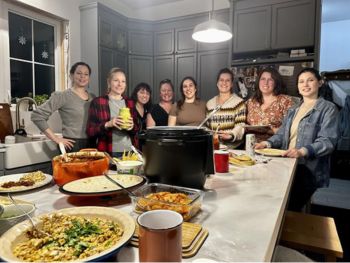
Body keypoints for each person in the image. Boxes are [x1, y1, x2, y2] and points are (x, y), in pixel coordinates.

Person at [255, 68, 339, 211]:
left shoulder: (328, 109)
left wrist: (302, 151)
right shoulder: (293, 109)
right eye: (301, 81)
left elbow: (328, 141)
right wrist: (266, 143)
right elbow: (281, 134)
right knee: (271, 201)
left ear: (319, 83)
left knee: (287, 207)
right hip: (287, 166)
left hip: (308, 170)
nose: (305, 84)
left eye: (310, 80)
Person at [31, 61, 95, 152]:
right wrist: (55, 138)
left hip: (92, 144)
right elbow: (37, 116)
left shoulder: (94, 97)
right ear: (71, 75)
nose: (82, 76)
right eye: (79, 73)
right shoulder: (62, 96)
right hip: (72, 145)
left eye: (86, 74)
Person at [86, 67, 138, 157]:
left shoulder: (130, 102)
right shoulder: (98, 102)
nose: (120, 84)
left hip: (130, 151)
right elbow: (90, 131)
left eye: (123, 81)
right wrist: (108, 124)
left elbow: (137, 129)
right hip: (107, 152)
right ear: (109, 82)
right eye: (116, 80)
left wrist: (132, 127)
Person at [246, 68, 294, 142]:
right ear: (258, 81)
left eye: (270, 80)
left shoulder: (285, 101)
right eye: (263, 79)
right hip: (252, 146)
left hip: (274, 147)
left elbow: (291, 128)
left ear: (276, 82)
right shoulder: (251, 102)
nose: (266, 83)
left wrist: (270, 130)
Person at [206, 68, 246, 146]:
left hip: (232, 148)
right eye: (221, 80)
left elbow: (241, 126)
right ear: (217, 83)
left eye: (227, 80)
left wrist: (231, 135)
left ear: (231, 84)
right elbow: (207, 127)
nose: (224, 83)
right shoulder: (209, 103)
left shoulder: (239, 102)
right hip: (214, 147)